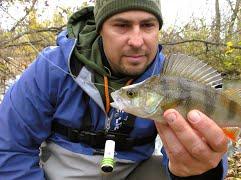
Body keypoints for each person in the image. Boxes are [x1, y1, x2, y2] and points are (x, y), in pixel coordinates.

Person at [0, 0, 228, 179]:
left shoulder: (172, 80)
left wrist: (199, 172)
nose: (137, 41)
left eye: (148, 25)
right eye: (122, 25)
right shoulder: (51, 68)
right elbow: (9, 148)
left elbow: (199, 153)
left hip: (133, 171)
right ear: (100, 29)